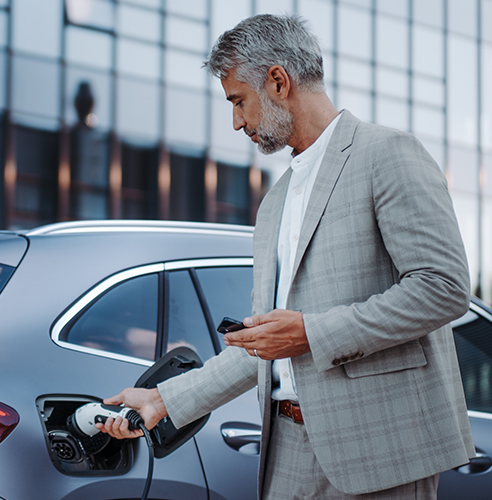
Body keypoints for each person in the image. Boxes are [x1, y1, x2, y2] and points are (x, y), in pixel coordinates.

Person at [96, 14, 473, 499]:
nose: (236, 122)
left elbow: (443, 289)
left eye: (238, 101)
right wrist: (163, 398)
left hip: (381, 451)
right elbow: (263, 343)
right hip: (286, 451)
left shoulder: (388, 154)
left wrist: (311, 333)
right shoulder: (275, 201)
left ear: (278, 81)